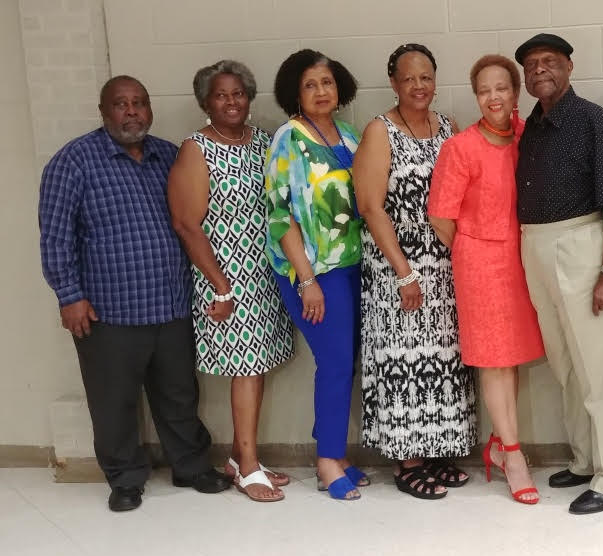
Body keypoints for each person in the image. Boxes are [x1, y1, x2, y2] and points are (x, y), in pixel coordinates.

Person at [38, 75, 231, 512]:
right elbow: (55, 238)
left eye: (139, 103)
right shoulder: (73, 162)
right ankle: (125, 479)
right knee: (114, 403)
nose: (132, 112)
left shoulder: (169, 156)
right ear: (104, 111)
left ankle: (191, 466)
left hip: (171, 304)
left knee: (180, 395)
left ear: (150, 109)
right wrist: (69, 295)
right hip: (107, 314)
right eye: (121, 104)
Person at [514, 33, 603, 515]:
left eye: (550, 62)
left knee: (599, 369)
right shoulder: (533, 126)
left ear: (569, 66)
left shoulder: (595, 122)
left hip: (584, 244)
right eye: (531, 66)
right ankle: (585, 461)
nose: (539, 70)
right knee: (566, 365)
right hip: (537, 247)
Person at [168, 60, 296, 503]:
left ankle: (248, 459)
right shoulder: (196, 149)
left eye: (238, 93)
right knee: (246, 370)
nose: (231, 102)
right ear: (206, 101)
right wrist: (221, 286)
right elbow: (187, 225)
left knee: (257, 368)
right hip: (224, 277)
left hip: (262, 273)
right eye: (221, 95)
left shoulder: (261, 141)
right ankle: (245, 466)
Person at [354, 43, 477, 501]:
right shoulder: (380, 131)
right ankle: (408, 463)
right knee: (405, 362)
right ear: (393, 82)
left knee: (443, 360)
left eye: (426, 76)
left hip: (445, 266)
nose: (418, 86)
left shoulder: (449, 127)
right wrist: (404, 272)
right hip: (398, 269)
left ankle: (437, 451)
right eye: (408, 78)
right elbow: (371, 207)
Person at [428, 54, 545, 505]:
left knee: (509, 357)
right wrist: (475, 246)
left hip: (523, 260)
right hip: (480, 263)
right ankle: (513, 455)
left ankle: (499, 441)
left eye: (502, 88)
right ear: (476, 96)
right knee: (495, 360)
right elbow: (440, 215)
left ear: (516, 93)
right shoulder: (460, 147)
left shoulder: (528, 138)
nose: (493, 97)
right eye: (484, 90)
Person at [265, 49, 368, 501]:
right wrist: (306, 279)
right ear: (295, 93)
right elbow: (280, 215)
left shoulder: (346, 136)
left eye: (327, 82)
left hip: (351, 267)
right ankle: (327, 460)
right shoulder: (289, 138)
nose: (321, 91)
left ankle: (338, 453)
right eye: (310, 85)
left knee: (345, 364)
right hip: (313, 273)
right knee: (334, 363)